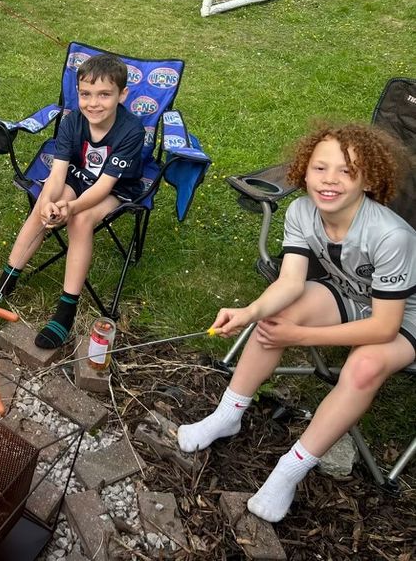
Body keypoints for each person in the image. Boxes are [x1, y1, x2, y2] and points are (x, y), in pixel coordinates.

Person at [178, 123, 416, 523]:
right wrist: (250, 312)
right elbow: (290, 282)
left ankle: (290, 469)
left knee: (364, 366)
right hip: (354, 293)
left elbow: (383, 328)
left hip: (403, 315)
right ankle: (227, 415)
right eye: (319, 168)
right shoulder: (302, 210)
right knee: (276, 315)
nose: (329, 181)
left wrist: (302, 335)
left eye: (346, 171)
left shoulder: (391, 236)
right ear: (303, 170)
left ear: (369, 179)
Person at [0, 53, 144, 349]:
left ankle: (65, 311)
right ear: (77, 93)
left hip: (117, 186)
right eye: (86, 94)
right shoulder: (72, 123)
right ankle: (5, 283)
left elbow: (104, 186)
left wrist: (70, 208)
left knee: (80, 220)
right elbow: (58, 173)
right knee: (43, 204)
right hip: (78, 175)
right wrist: (52, 202)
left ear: (122, 94)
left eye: (105, 95)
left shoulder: (131, 131)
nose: (94, 103)